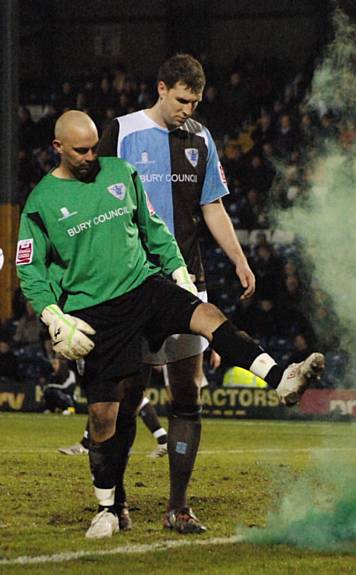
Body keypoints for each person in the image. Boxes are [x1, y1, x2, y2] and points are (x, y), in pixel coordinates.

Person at [16, 110, 324, 540]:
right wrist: (53, 316)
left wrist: (178, 272)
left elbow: (153, 228)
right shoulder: (41, 202)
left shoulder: (120, 172)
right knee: (104, 416)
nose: (91, 157)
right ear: (58, 148)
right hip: (94, 309)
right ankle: (107, 508)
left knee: (208, 316)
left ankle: (280, 378)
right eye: (81, 151)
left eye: (93, 148)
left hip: (143, 284)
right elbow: (29, 270)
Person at [59, 54, 256, 520]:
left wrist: (240, 260)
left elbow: (213, 207)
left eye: (196, 101)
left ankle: (179, 507)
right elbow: (92, 202)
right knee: (128, 391)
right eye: (183, 100)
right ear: (162, 88)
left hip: (186, 278)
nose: (189, 109)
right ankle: (117, 503)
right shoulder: (121, 132)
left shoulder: (200, 138)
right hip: (128, 283)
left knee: (187, 391)